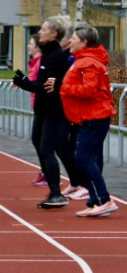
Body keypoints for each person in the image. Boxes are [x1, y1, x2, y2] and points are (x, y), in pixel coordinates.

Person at [12, 16, 80, 209]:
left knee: (47, 149)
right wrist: (24, 81)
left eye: (43, 29)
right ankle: (55, 192)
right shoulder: (47, 55)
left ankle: (57, 193)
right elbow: (40, 84)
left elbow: (48, 87)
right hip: (42, 110)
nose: (39, 32)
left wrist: (25, 83)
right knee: (39, 145)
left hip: (54, 111)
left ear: (54, 34)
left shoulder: (57, 57)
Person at [57, 25, 117, 217]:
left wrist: (63, 87)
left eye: (73, 38)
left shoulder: (89, 63)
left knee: (83, 159)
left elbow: (88, 91)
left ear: (83, 42)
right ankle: (95, 201)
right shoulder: (82, 61)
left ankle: (104, 199)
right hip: (90, 117)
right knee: (92, 159)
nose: (69, 41)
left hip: (95, 117)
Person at [26, 35, 47, 187]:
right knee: (37, 140)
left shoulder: (41, 63)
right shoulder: (34, 63)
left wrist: (23, 83)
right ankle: (45, 171)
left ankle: (49, 174)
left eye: (31, 44)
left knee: (41, 141)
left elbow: (38, 85)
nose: (28, 46)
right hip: (37, 106)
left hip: (43, 108)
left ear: (38, 47)